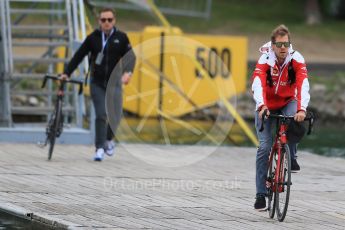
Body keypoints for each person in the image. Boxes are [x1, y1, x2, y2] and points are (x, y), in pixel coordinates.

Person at [60, 7, 136, 161]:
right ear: (99, 21)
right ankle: (99, 148)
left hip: (114, 83)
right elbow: (78, 56)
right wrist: (66, 73)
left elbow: (131, 57)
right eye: (103, 20)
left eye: (109, 20)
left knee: (116, 116)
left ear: (114, 21)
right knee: (101, 114)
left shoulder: (121, 37)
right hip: (97, 83)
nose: (106, 23)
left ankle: (109, 140)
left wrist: (128, 73)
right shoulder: (93, 38)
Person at [251, 24, 310, 210]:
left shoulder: (296, 59)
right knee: (265, 147)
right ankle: (260, 194)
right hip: (266, 105)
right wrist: (261, 105)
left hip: (287, 101)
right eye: (279, 44)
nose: (283, 48)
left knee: (295, 118)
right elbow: (257, 83)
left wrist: (302, 109)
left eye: (286, 44)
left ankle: (291, 155)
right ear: (273, 45)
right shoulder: (265, 59)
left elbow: (303, 84)